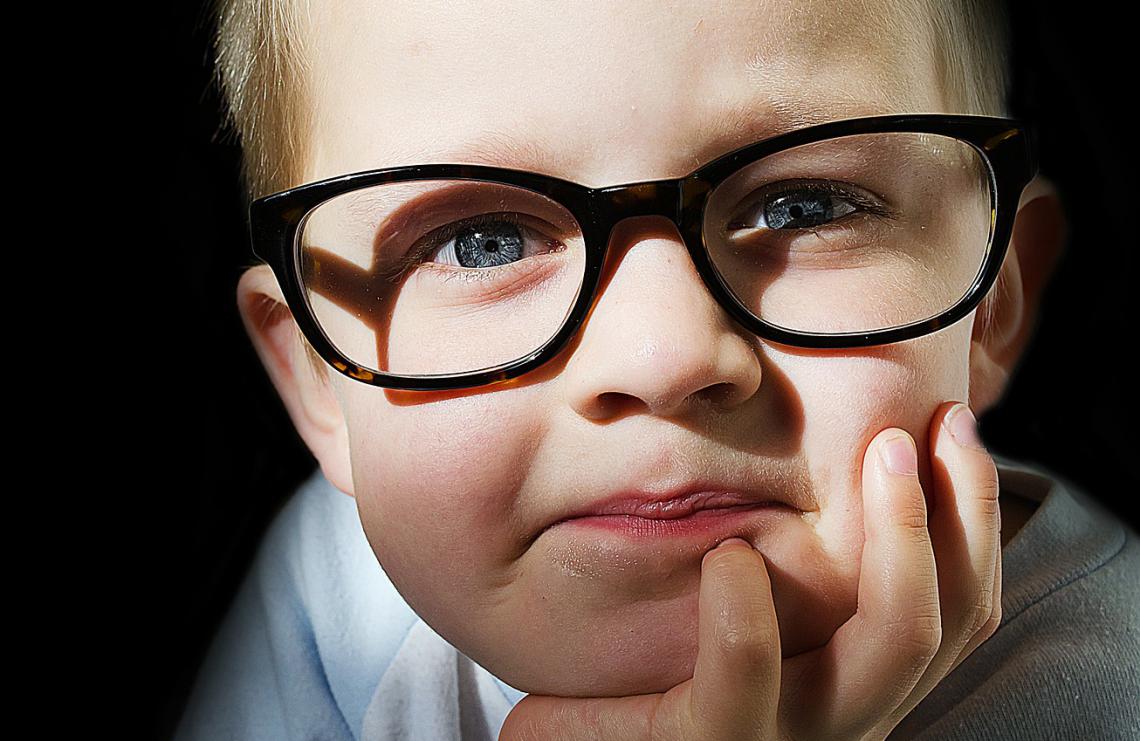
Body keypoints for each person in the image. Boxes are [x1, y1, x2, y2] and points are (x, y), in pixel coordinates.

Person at [175, 0, 1140, 738]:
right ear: (318, 379)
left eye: (803, 206)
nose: (665, 356)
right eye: (482, 241)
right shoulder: (333, 594)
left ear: (992, 307)